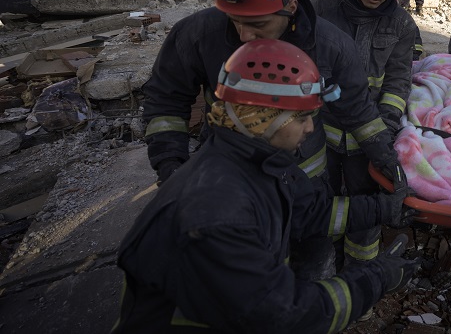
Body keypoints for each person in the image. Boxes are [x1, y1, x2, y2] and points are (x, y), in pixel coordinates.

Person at [141, 0, 405, 280]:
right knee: (247, 281)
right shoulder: (200, 34)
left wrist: (385, 157)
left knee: (308, 269)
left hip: (305, 182)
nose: (245, 36)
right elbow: (165, 100)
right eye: (235, 21)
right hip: (229, 185)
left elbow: (358, 111)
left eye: (258, 24)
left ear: (290, 5)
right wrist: (171, 166)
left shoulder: (329, 46)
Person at [114, 39, 420, 333]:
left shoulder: (257, 162)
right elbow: (284, 316)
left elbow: (309, 210)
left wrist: (384, 208)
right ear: (264, 118)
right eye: (303, 117)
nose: (312, 127)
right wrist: (376, 279)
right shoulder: (216, 214)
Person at [311, 0, 416, 268]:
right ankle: (318, 270)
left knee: (365, 211)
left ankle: (360, 280)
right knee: (318, 204)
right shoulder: (322, 9)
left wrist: (380, 136)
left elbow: (398, 83)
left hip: (367, 141)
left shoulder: (402, 24)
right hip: (319, 134)